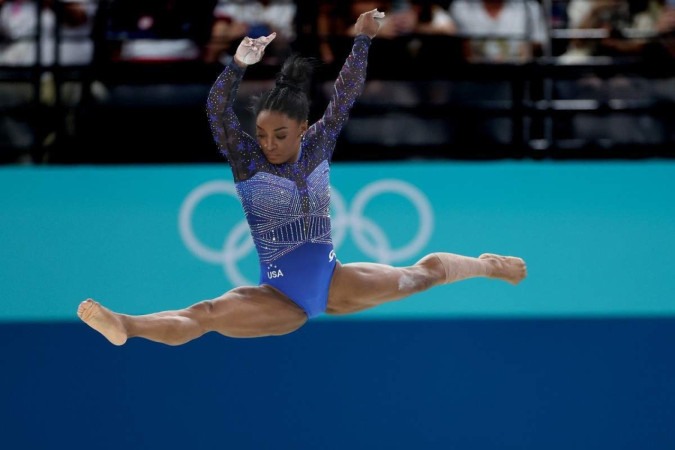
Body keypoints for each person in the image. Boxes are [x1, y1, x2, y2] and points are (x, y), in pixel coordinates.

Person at [77, 9, 527, 346]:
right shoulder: (247, 162)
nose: (268, 144)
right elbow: (216, 109)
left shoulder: (318, 145)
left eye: (279, 135)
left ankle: (487, 265)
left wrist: (363, 40)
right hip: (278, 295)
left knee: (421, 275)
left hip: (333, 280)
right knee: (207, 313)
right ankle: (125, 326)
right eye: (261, 135)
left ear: (303, 130)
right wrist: (237, 65)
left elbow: (346, 93)